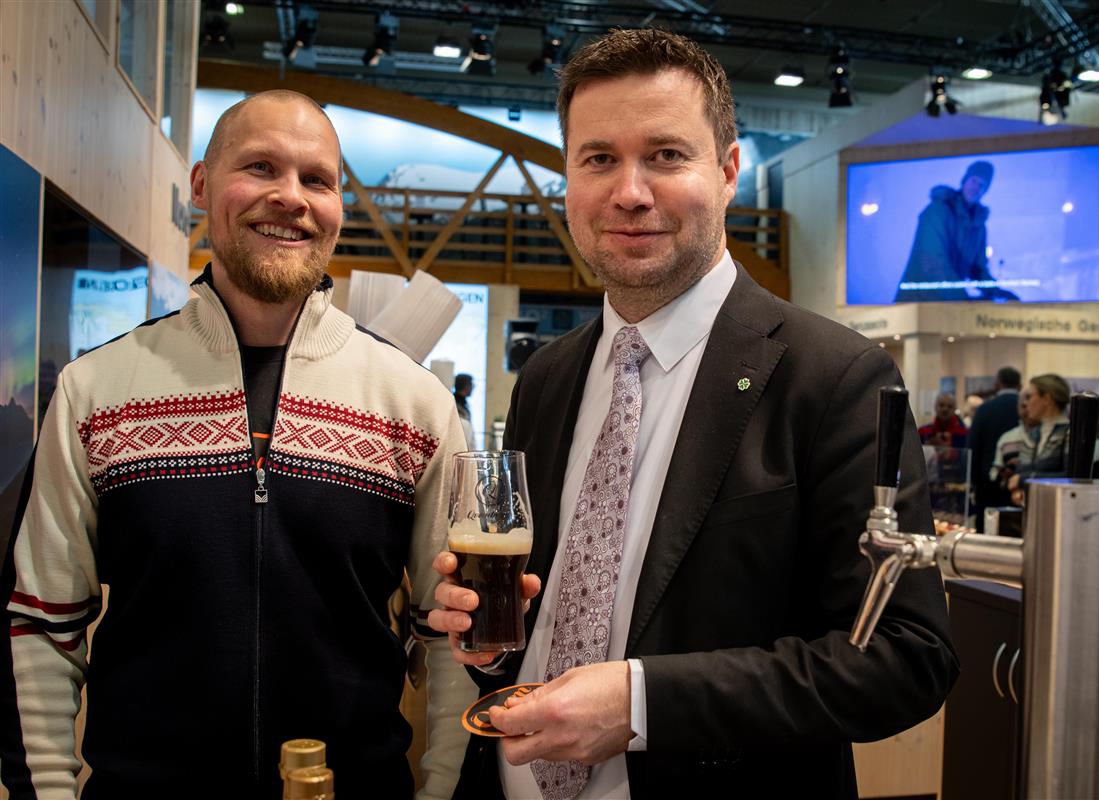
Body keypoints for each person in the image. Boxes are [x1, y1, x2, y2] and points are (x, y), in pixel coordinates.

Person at [429, 29, 958, 799]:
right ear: (568, 177)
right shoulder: (547, 376)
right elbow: (547, 610)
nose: (630, 192)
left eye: (666, 156)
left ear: (729, 171)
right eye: (598, 159)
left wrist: (643, 704)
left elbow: (906, 657)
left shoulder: (834, 378)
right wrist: (492, 644)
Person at [0, 90, 474, 799]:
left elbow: (453, 635)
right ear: (201, 184)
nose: (291, 197)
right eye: (260, 167)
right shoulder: (95, 391)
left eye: (317, 179)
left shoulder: (415, 405)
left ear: (339, 205)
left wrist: (442, 791)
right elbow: (42, 624)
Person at [893, 160, 1019, 303]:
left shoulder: (978, 227)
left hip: (947, 305)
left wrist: (998, 293)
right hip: (917, 304)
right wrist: (963, 300)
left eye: (982, 185)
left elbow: (978, 270)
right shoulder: (938, 211)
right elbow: (933, 262)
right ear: (965, 180)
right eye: (974, 180)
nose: (976, 187)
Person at [1006, 374, 1099, 505]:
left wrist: (1023, 480)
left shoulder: (1070, 435)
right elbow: (1021, 470)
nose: (1025, 403)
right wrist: (1019, 488)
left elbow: (1071, 477)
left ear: (1046, 399)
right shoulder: (1033, 434)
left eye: (1029, 396)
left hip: (1062, 507)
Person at [968, 367, 1021, 530]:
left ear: (998, 384)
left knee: (986, 532)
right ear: (1019, 384)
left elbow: (973, 450)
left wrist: (973, 483)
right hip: (1019, 486)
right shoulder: (1025, 408)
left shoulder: (985, 410)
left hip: (988, 486)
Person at [454, 373, 476, 449]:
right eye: (471, 384)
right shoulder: (455, 404)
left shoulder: (463, 403)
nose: (473, 387)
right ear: (466, 386)